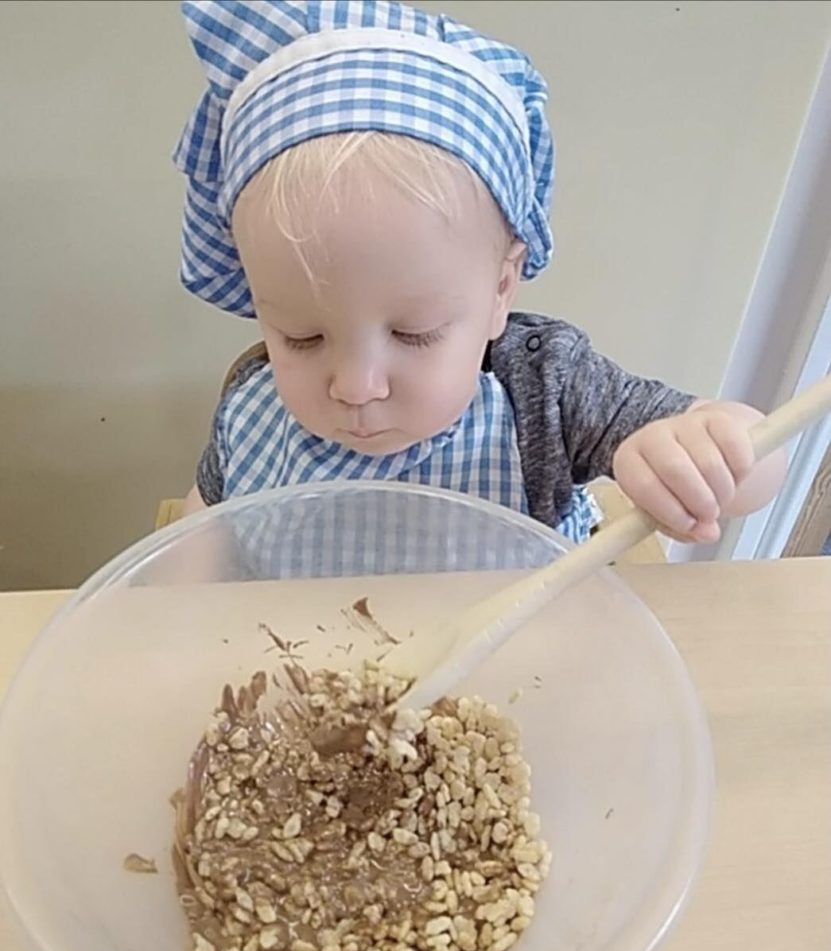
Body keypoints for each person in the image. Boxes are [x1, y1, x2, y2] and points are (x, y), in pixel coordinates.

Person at [175, 0, 785, 551]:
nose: (356, 387)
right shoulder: (250, 409)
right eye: (301, 338)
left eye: (414, 333)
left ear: (500, 288)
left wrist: (706, 454)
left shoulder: (545, 389)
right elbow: (199, 536)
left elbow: (763, 459)